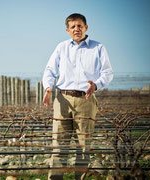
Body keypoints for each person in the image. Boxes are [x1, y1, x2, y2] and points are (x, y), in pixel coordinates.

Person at [42, 13, 113, 180]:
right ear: (67, 30)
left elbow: (107, 73)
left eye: (80, 26)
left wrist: (95, 85)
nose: (76, 29)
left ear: (86, 28)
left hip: (86, 100)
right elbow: (50, 70)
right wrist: (48, 88)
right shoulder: (61, 47)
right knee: (59, 145)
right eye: (73, 27)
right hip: (62, 100)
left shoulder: (98, 48)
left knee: (84, 146)